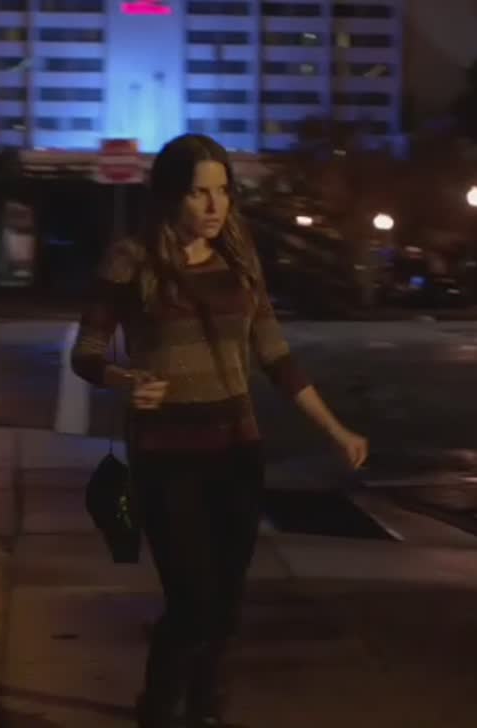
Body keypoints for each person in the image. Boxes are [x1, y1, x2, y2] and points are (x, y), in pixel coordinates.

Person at [71, 133, 368, 728]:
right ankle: (159, 708)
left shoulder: (239, 261)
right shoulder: (132, 260)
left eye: (223, 191)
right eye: (199, 193)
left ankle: (206, 708)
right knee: (193, 599)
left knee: (225, 601)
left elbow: (276, 356)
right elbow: (87, 350)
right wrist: (123, 379)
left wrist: (336, 430)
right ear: (170, 196)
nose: (214, 206)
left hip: (236, 452)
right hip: (166, 455)